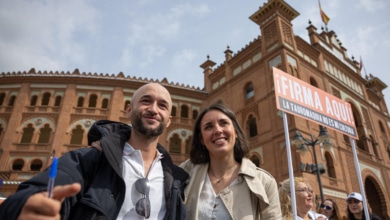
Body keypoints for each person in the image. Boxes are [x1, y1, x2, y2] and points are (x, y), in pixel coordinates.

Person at [0, 82, 189, 219]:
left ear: (169, 120)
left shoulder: (175, 180)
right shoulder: (88, 159)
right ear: (128, 110)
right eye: (146, 101)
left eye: (162, 105)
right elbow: (35, 192)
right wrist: (24, 207)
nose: (153, 109)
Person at [180, 102, 282, 219]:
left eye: (224, 123)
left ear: (236, 132)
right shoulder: (186, 174)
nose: (218, 130)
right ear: (201, 139)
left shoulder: (264, 183)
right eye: (208, 127)